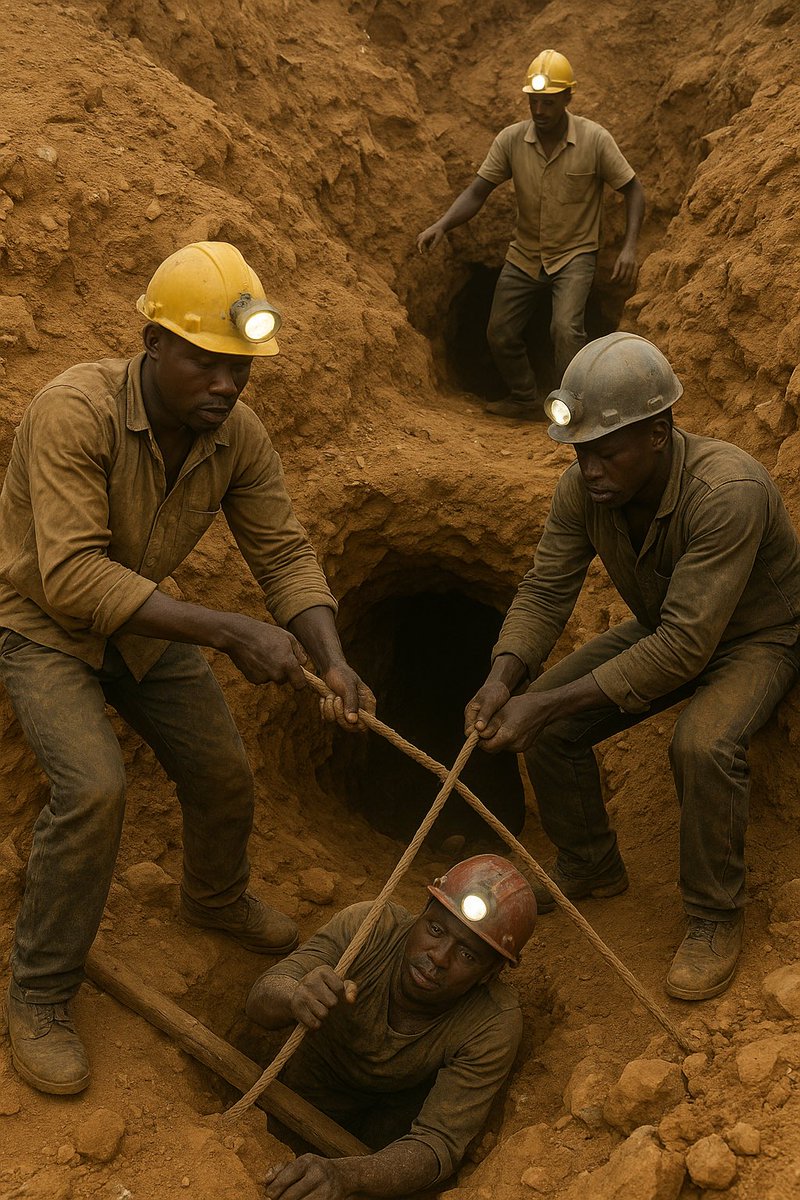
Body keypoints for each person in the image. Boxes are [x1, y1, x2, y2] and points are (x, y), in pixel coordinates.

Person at [0, 241, 375, 1096]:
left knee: (222, 772)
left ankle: (212, 898)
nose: (227, 385)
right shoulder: (73, 412)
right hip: (44, 626)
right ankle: (39, 995)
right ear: (153, 344)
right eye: (206, 362)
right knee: (95, 790)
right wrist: (230, 632)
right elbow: (73, 576)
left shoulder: (235, 435)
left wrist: (333, 660)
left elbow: (283, 552)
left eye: (240, 368)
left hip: (143, 627)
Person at [465, 332, 800, 1001]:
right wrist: (503, 679)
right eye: (580, 452)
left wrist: (543, 703)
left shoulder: (726, 490)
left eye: (606, 452)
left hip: (758, 638)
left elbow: (685, 650)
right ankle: (590, 863)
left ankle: (714, 915)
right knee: (549, 725)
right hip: (668, 627)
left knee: (702, 744)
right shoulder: (584, 490)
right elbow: (546, 589)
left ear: (658, 433)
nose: (590, 469)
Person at [246, 855, 537, 1198]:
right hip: (302, 1092)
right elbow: (262, 998)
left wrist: (347, 1176)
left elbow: (438, 1144)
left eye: (467, 955)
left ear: (490, 974)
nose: (439, 957)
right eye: (436, 930)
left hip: (389, 1136)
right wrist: (294, 995)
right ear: (422, 912)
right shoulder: (370, 928)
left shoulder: (493, 1021)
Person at [417, 49, 645, 422]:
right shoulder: (511, 140)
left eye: (548, 102)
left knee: (565, 330)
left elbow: (633, 189)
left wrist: (629, 247)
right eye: (533, 101)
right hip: (524, 254)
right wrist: (442, 224)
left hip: (575, 254)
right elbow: (478, 191)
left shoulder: (594, 139)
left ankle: (575, 408)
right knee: (500, 331)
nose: (539, 110)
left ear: (568, 97)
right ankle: (524, 397)